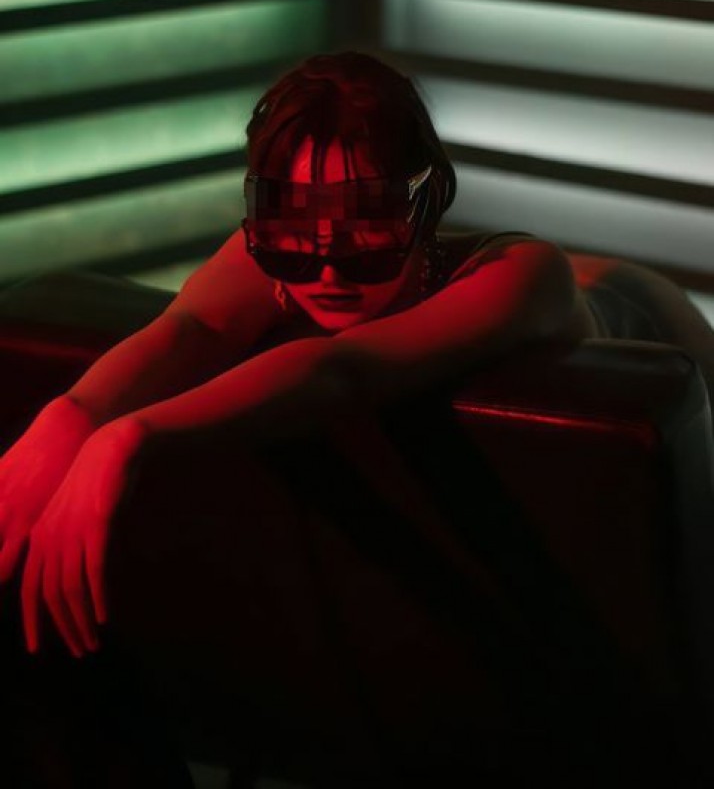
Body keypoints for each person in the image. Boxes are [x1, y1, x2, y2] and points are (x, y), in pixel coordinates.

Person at [0, 50, 712, 785]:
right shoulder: (280, 255)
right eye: (293, 226)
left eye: (366, 226)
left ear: (424, 204)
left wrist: (126, 437)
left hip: (641, 310)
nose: (328, 266)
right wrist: (69, 417)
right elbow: (188, 329)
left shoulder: (525, 277)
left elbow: (343, 370)